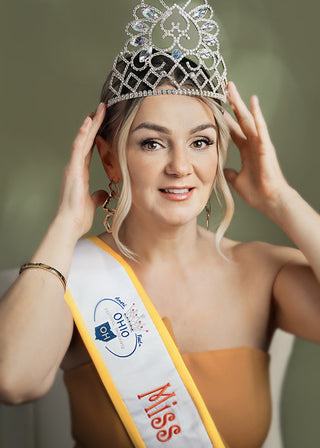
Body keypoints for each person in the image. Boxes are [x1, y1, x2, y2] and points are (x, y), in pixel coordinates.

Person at [0, 1, 320, 447]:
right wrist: (65, 225)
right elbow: (14, 380)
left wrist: (280, 198)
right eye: (152, 143)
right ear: (109, 158)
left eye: (201, 142)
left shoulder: (261, 271)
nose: (181, 166)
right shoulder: (68, 276)